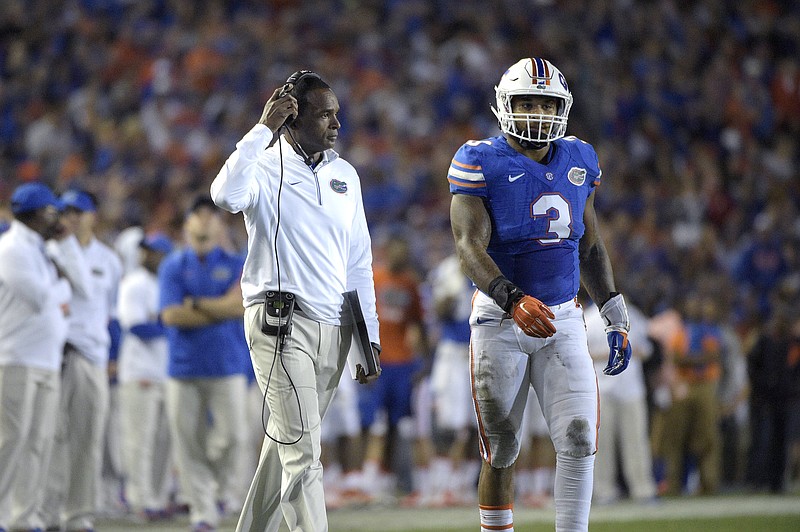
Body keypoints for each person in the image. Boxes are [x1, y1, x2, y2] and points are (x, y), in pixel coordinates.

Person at [448, 57, 632, 532]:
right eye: (526, 101)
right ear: (505, 104)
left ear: (563, 107)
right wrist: (512, 298)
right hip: (500, 317)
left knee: (578, 436)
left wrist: (613, 312)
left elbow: (589, 245)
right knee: (502, 447)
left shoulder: (580, 157)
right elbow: (468, 247)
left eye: (545, 103)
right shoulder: (478, 158)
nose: (536, 112)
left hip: (563, 317)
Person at [210, 69, 381, 532]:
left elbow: (358, 262)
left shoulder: (345, 173)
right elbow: (223, 195)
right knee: (304, 453)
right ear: (292, 116)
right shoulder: (264, 165)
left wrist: (370, 339)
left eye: (336, 114)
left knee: (285, 446)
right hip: (281, 323)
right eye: (324, 114)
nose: (335, 124)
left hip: (336, 329)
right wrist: (262, 129)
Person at [158, 198, 252, 532]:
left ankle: (213, 488)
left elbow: (240, 306)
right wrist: (219, 306)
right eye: (196, 217)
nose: (203, 223)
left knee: (232, 437)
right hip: (183, 368)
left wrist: (196, 304)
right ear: (186, 226)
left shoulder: (236, 261)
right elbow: (170, 315)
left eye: (209, 217)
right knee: (188, 442)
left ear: (218, 226)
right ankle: (202, 510)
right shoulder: (172, 265)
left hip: (227, 364)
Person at [43, 188, 123, 532]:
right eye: (66, 212)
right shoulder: (48, 252)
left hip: (92, 354)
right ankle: (46, 514)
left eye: (78, 211)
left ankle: (78, 515)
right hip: (56, 353)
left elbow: (112, 315)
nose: (71, 217)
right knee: (50, 438)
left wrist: (113, 356)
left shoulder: (109, 260)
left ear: (93, 215)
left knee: (88, 439)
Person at [0, 183, 71, 532]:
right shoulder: (11, 248)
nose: (56, 217)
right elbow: (41, 297)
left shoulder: (40, 249)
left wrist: (59, 287)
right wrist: (58, 287)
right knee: (9, 441)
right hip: (16, 357)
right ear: (38, 213)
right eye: (51, 211)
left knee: (38, 442)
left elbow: (64, 290)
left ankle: (23, 517)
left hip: (45, 359)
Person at [117, 233, 174, 521]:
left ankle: (158, 497)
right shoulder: (134, 283)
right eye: (145, 252)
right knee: (140, 440)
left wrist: (165, 323)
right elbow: (137, 327)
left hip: (166, 373)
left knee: (164, 442)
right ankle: (140, 500)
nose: (146, 256)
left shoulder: (169, 285)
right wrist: (173, 323)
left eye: (153, 252)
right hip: (140, 372)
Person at [584, 293, 657, 504]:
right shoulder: (589, 318)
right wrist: (612, 353)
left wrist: (625, 351)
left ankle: (643, 489)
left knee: (636, 441)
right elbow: (581, 353)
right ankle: (604, 491)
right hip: (601, 388)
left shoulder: (631, 315)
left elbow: (647, 349)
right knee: (602, 443)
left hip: (631, 388)